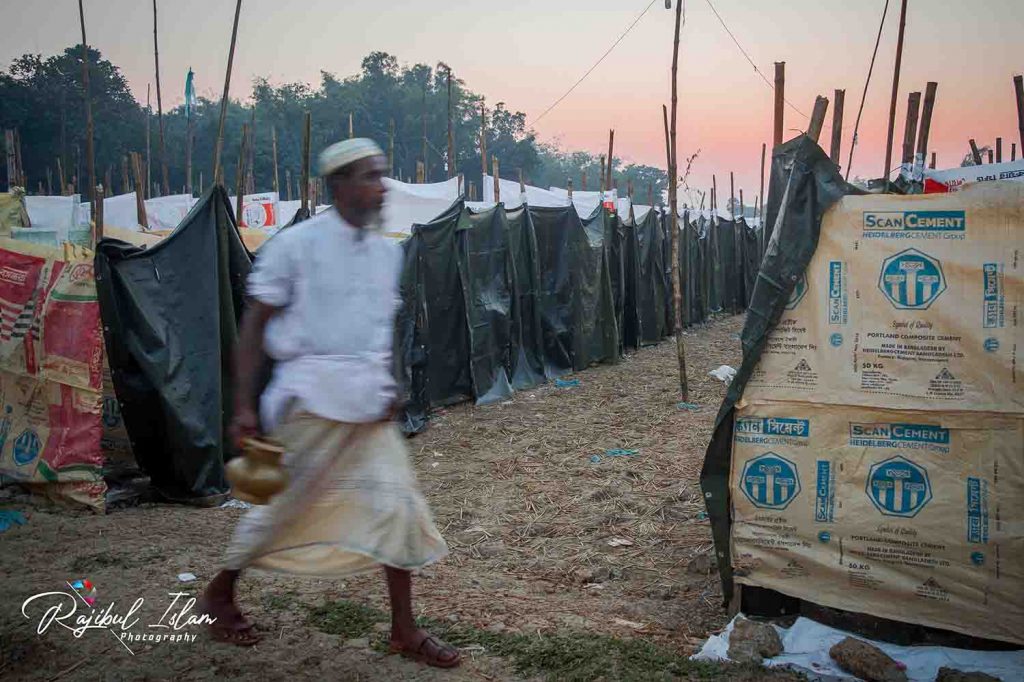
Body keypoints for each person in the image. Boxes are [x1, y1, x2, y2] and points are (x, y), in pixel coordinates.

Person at [200, 138, 460, 668]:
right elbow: (254, 327)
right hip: (308, 401)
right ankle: (219, 592)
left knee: (398, 507)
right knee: (279, 510)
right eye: (369, 175)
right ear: (338, 183)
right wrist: (244, 406)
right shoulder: (295, 245)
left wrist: (391, 382)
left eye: (382, 174)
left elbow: (379, 330)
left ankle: (404, 630)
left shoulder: (387, 252)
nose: (381, 186)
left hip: (366, 405)